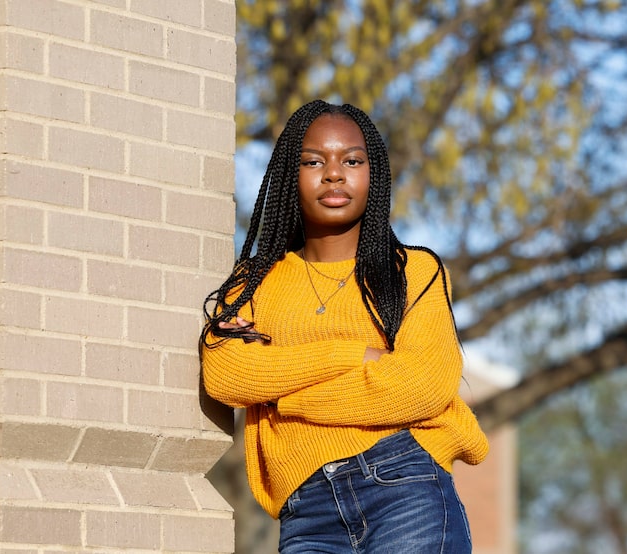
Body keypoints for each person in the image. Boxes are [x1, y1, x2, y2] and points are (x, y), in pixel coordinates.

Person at [200, 99, 489, 553]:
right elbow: (226, 374)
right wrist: (351, 356)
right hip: (307, 513)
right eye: (314, 161)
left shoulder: (413, 270)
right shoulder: (253, 282)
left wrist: (281, 395)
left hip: (405, 485)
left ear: (373, 176)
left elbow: (423, 385)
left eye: (352, 160)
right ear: (287, 178)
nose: (334, 174)